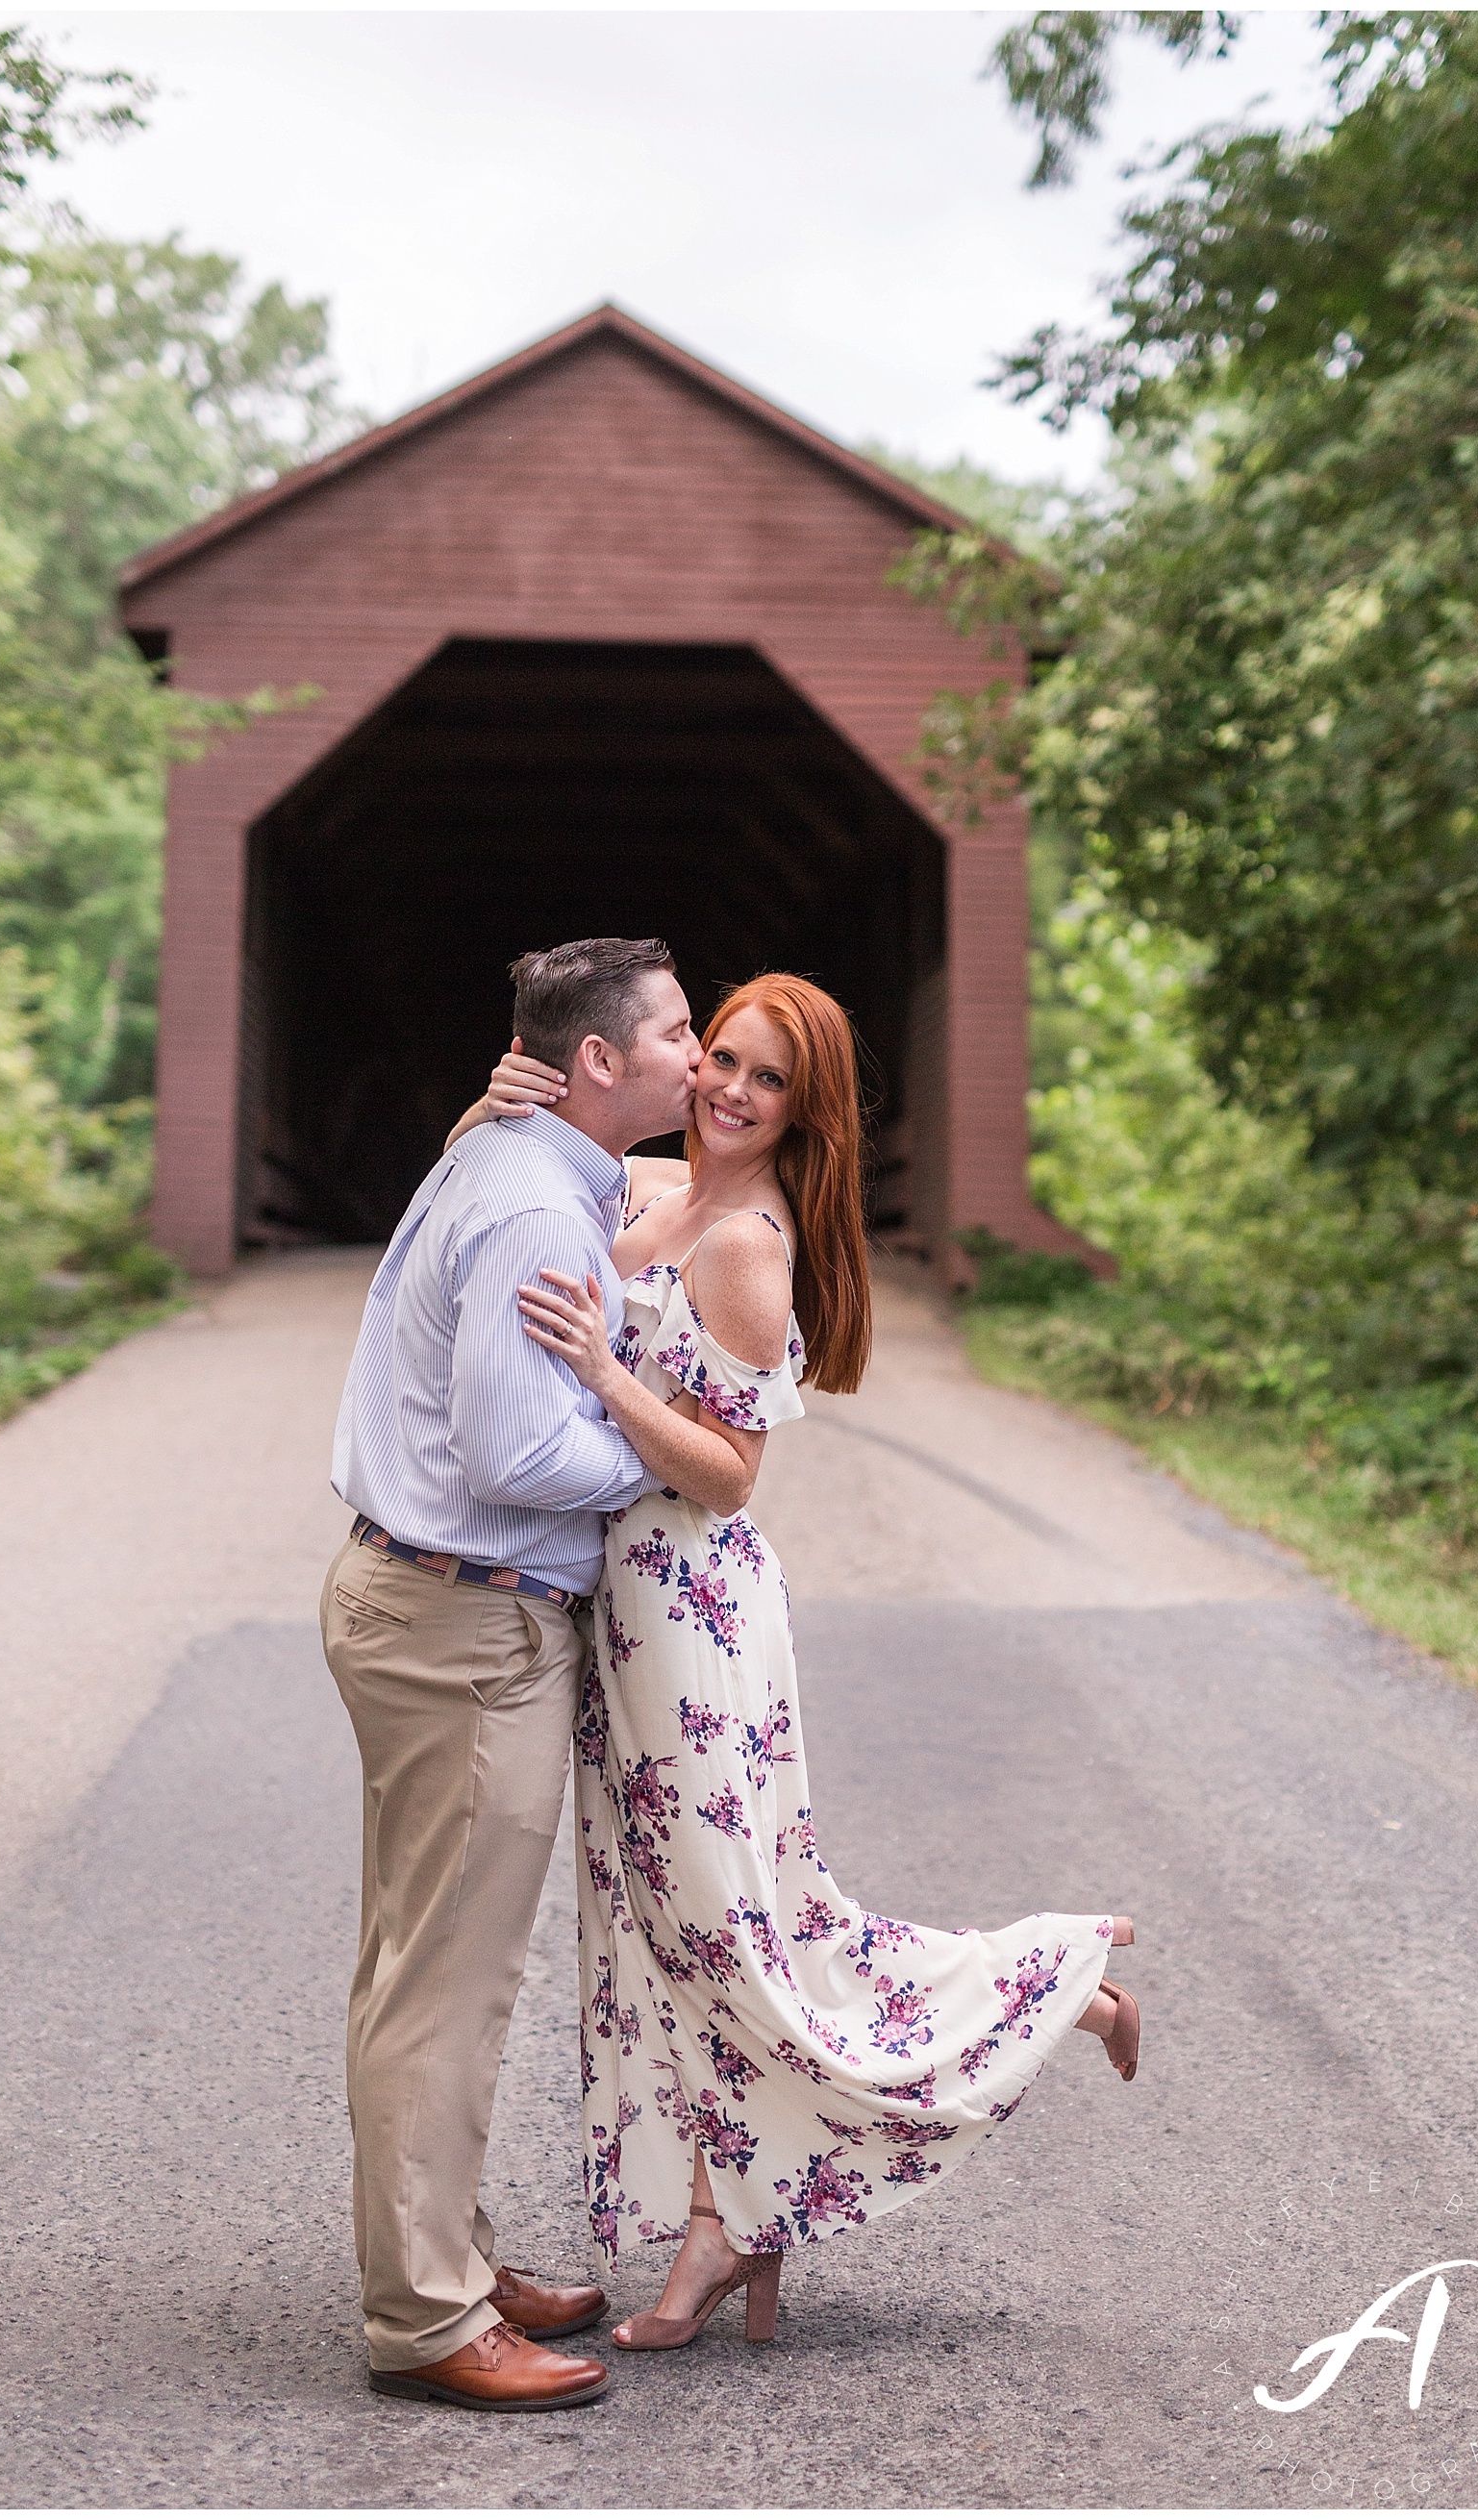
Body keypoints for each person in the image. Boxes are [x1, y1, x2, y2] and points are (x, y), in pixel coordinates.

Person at [482, 972, 1140, 2352]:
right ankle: (732, 2218)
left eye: (765, 1078)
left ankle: (1043, 1985)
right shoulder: (654, 1187)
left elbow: (730, 1476)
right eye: (720, 1056)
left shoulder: (743, 1247)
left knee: (734, 1931)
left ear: (803, 1108)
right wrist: (485, 1110)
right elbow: (501, 1183)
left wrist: (606, 1375)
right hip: (630, 1608)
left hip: (691, 1611)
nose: (728, 1087)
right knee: (684, 1928)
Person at [320, 936, 701, 2411]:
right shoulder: (535, 1199)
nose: (695, 1049)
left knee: (420, 1963)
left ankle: (451, 2253)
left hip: (427, 1609)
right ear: (595, 1060)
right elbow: (515, 1449)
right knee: (447, 1983)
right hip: (466, 1628)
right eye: (674, 1031)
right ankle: (427, 2316)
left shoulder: (510, 1155)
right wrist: (663, 1462)